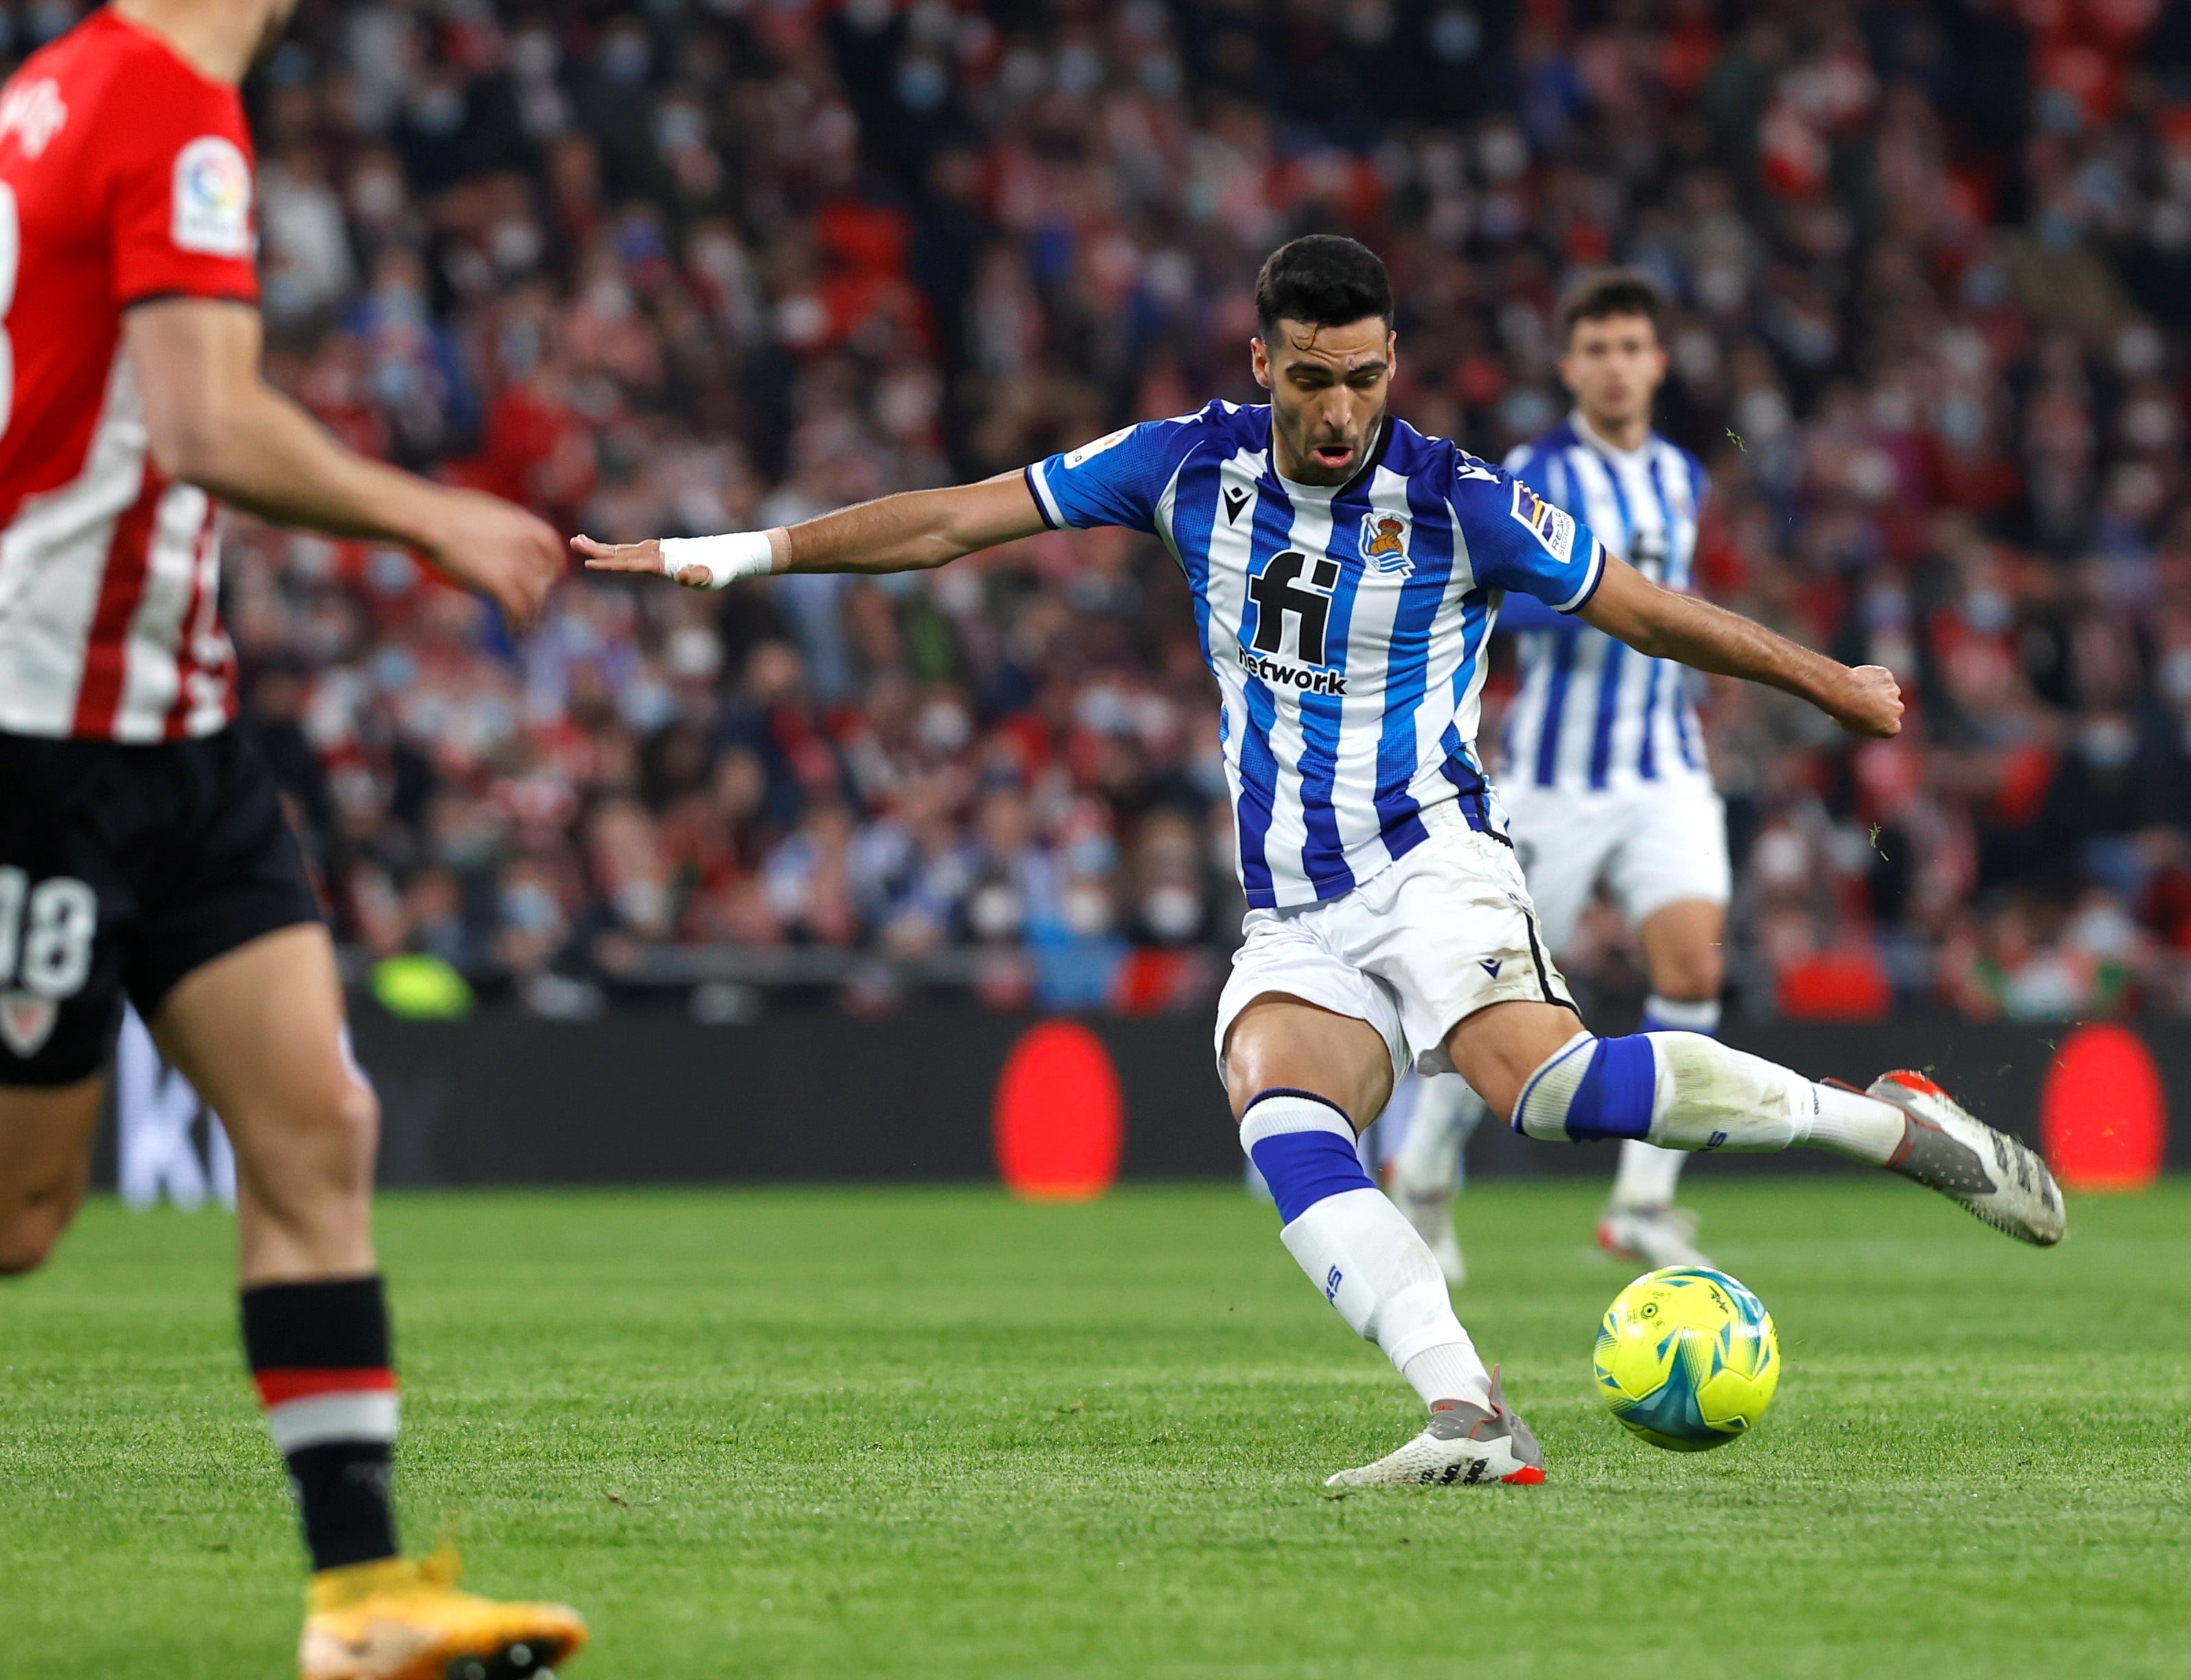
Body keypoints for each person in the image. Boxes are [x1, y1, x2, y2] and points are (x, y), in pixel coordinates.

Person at [577, 235, 2064, 1489]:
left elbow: (1645, 612)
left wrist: (1829, 682)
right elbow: (955, 522)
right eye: (1311, 376)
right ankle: (1468, 1413)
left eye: (1364, 375)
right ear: (1260, 363)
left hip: (1435, 866)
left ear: (1391, 366)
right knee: (1280, 1119)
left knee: (1544, 1093)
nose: (1339, 406)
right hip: (1292, 903)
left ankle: (1883, 1123)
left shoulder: (1460, 498)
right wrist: (736, 553)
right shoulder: (1179, 468)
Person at [0, 3, 586, 1675]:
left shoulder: (27, 108)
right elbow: (207, 426)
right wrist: (430, 512)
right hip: (26, 758)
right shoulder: (170, 114)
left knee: (316, 1122)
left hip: (175, 737)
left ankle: (363, 1599)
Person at [1392, 269, 1728, 1281]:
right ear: (1569, 365)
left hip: (1665, 765)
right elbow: (1503, 596)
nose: (1617, 366)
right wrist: (1599, 592)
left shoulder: (1683, 476)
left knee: (1696, 965)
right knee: (1499, 1000)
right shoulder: (1533, 474)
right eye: (1599, 350)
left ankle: (1639, 1203)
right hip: (1548, 778)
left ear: (1658, 363)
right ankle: (1426, 1171)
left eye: (1634, 347)